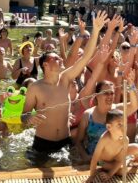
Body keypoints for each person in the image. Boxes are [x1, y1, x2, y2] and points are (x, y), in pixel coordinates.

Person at [22, 11, 108, 154]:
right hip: (43, 143)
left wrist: (96, 31)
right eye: (55, 59)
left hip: (65, 142)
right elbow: (23, 115)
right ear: (45, 65)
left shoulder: (66, 78)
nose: (61, 59)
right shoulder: (36, 87)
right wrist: (29, 118)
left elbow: (86, 57)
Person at [87, 109, 138, 182]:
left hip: (117, 157)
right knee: (122, 171)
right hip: (102, 162)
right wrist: (91, 177)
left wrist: (109, 174)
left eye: (125, 124)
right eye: (119, 125)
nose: (124, 127)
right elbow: (94, 159)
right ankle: (127, 161)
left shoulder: (125, 140)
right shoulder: (104, 139)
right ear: (109, 127)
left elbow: (120, 160)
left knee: (137, 147)